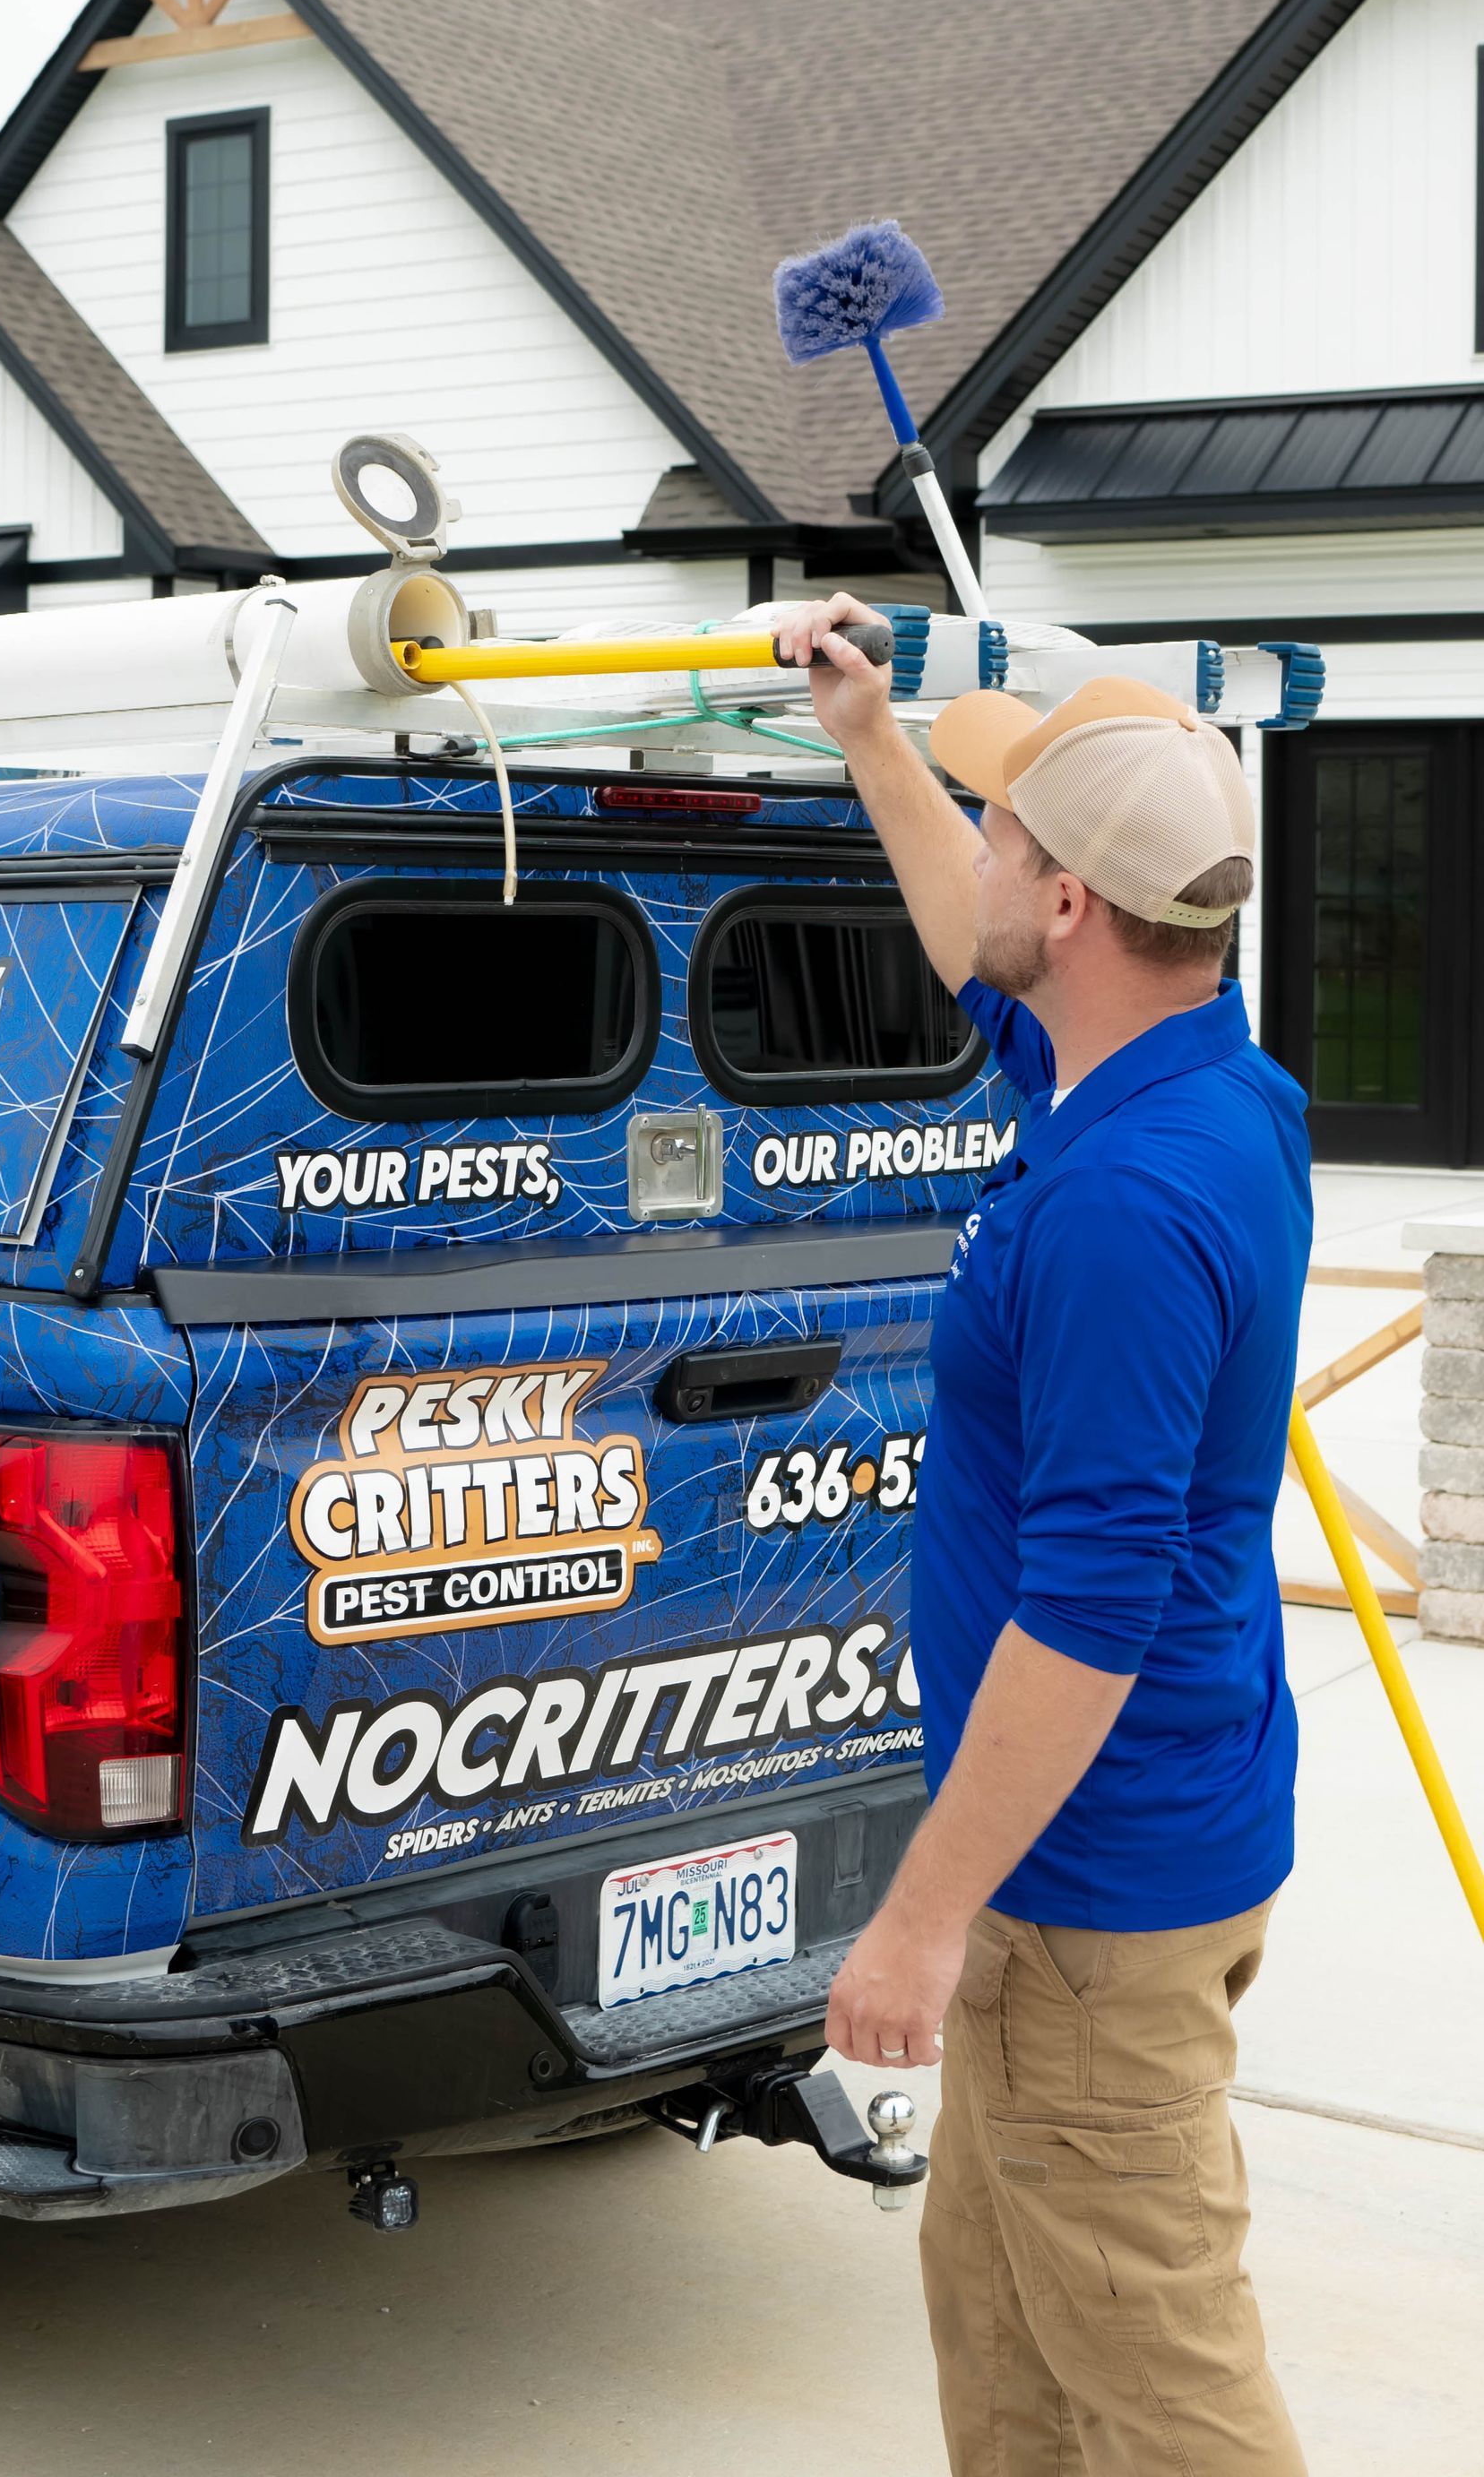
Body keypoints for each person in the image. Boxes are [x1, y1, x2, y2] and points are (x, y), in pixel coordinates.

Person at [774, 598, 1311, 2477]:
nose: (983, 851)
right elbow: (973, 940)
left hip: (1090, 1890)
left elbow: (1088, 1610)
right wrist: (874, 743)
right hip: (1100, 1860)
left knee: (1163, 2391)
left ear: (1075, 900)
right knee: (1008, 2348)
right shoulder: (1184, 1065)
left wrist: (915, 1928)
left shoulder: (1124, 1205)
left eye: (1009, 826)